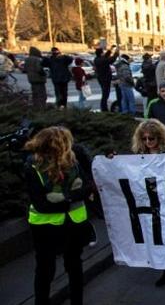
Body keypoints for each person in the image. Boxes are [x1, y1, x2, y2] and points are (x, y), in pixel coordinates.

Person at [24, 126, 89, 305]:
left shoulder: (73, 161)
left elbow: (86, 188)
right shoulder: (32, 166)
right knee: (45, 271)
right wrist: (71, 198)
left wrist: (63, 198)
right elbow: (41, 204)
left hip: (73, 224)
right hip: (45, 228)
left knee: (74, 267)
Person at [130, 120, 165, 286]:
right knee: (158, 237)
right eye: (144, 138)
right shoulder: (139, 154)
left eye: (151, 138)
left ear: (159, 138)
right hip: (152, 201)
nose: (148, 142)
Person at [93, 46, 119, 112]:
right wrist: (116, 53)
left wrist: (110, 50)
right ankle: (104, 109)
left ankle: (104, 108)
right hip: (105, 79)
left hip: (101, 78)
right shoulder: (101, 60)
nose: (104, 53)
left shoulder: (97, 59)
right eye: (103, 52)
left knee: (105, 93)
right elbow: (111, 60)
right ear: (101, 53)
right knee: (105, 94)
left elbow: (105, 57)